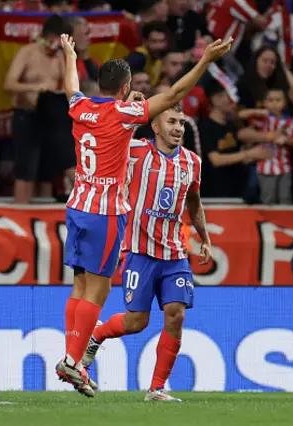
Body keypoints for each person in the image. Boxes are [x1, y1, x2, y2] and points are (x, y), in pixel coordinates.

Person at [57, 33, 234, 397]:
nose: (177, 125)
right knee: (99, 290)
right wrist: (205, 61)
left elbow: (71, 87)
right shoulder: (127, 121)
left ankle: (79, 361)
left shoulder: (79, 106)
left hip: (77, 206)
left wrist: (70, 55)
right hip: (105, 213)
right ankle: (74, 362)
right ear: (124, 88)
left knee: (80, 286)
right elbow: (172, 95)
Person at [80, 104, 210, 402]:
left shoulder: (192, 162)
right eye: (171, 121)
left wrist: (205, 237)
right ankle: (97, 335)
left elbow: (194, 202)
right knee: (136, 322)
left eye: (181, 123)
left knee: (175, 315)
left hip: (175, 253)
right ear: (154, 126)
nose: (178, 128)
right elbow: (110, 136)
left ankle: (156, 388)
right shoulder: (136, 152)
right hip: (139, 251)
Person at [4, 14, 75, 203]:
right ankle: (21, 210)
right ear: (48, 36)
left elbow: (67, 85)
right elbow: (9, 84)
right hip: (26, 115)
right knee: (25, 169)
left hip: (51, 117)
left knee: (53, 167)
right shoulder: (27, 53)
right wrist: (35, 87)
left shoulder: (60, 57)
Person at [238, 88, 293, 204]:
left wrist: (285, 139)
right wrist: (258, 111)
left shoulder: (289, 122)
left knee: (285, 198)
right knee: (268, 198)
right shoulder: (262, 119)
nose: (274, 103)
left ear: (285, 103)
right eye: (270, 100)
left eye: (278, 100)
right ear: (264, 102)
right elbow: (240, 115)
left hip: (284, 166)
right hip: (265, 165)